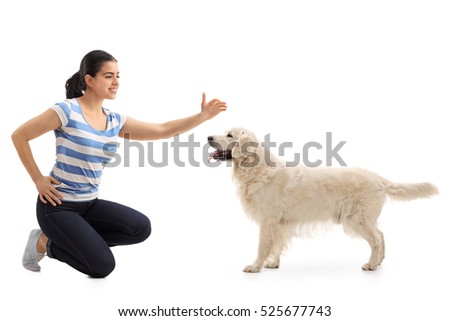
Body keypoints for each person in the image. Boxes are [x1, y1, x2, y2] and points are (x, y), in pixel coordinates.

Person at [12, 50, 227, 278]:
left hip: (88, 205)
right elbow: (19, 136)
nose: (116, 82)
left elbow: (163, 130)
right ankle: (45, 243)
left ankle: (81, 239)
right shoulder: (66, 111)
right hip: (57, 206)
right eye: (108, 76)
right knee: (102, 267)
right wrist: (38, 179)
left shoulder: (114, 120)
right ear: (89, 80)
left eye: (118, 75)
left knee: (140, 228)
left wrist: (202, 116)